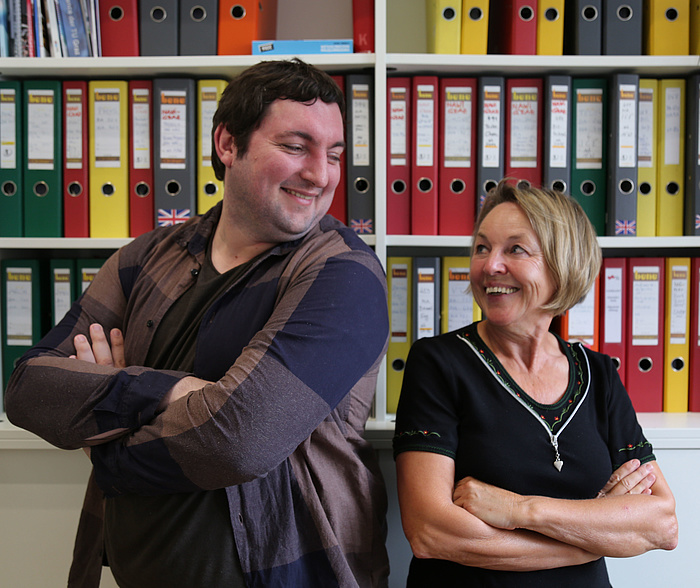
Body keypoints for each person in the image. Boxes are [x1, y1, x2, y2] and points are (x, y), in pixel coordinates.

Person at [5, 58, 390, 588]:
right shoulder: (146, 257)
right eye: (296, 147)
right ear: (228, 144)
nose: (321, 174)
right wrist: (173, 390)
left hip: (289, 575)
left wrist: (104, 436)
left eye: (335, 154)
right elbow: (27, 387)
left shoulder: (344, 274)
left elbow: (240, 441)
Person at [393, 180, 678, 587]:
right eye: (481, 247)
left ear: (562, 266)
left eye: (515, 249)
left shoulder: (598, 374)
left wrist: (520, 510)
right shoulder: (438, 362)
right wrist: (595, 538)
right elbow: (431, 532)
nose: (490, 266)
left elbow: (661, 523)